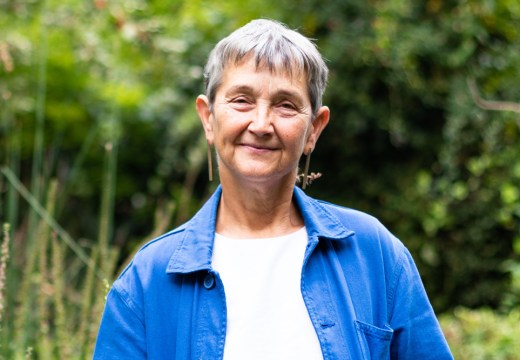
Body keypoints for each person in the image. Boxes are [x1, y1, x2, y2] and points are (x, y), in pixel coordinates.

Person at [94, 19, 453, 359]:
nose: (261, 124)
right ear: (208, 117)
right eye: (241, 100)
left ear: (314, 128)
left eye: (285, 105)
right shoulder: (147, 281)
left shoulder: (374, 253)